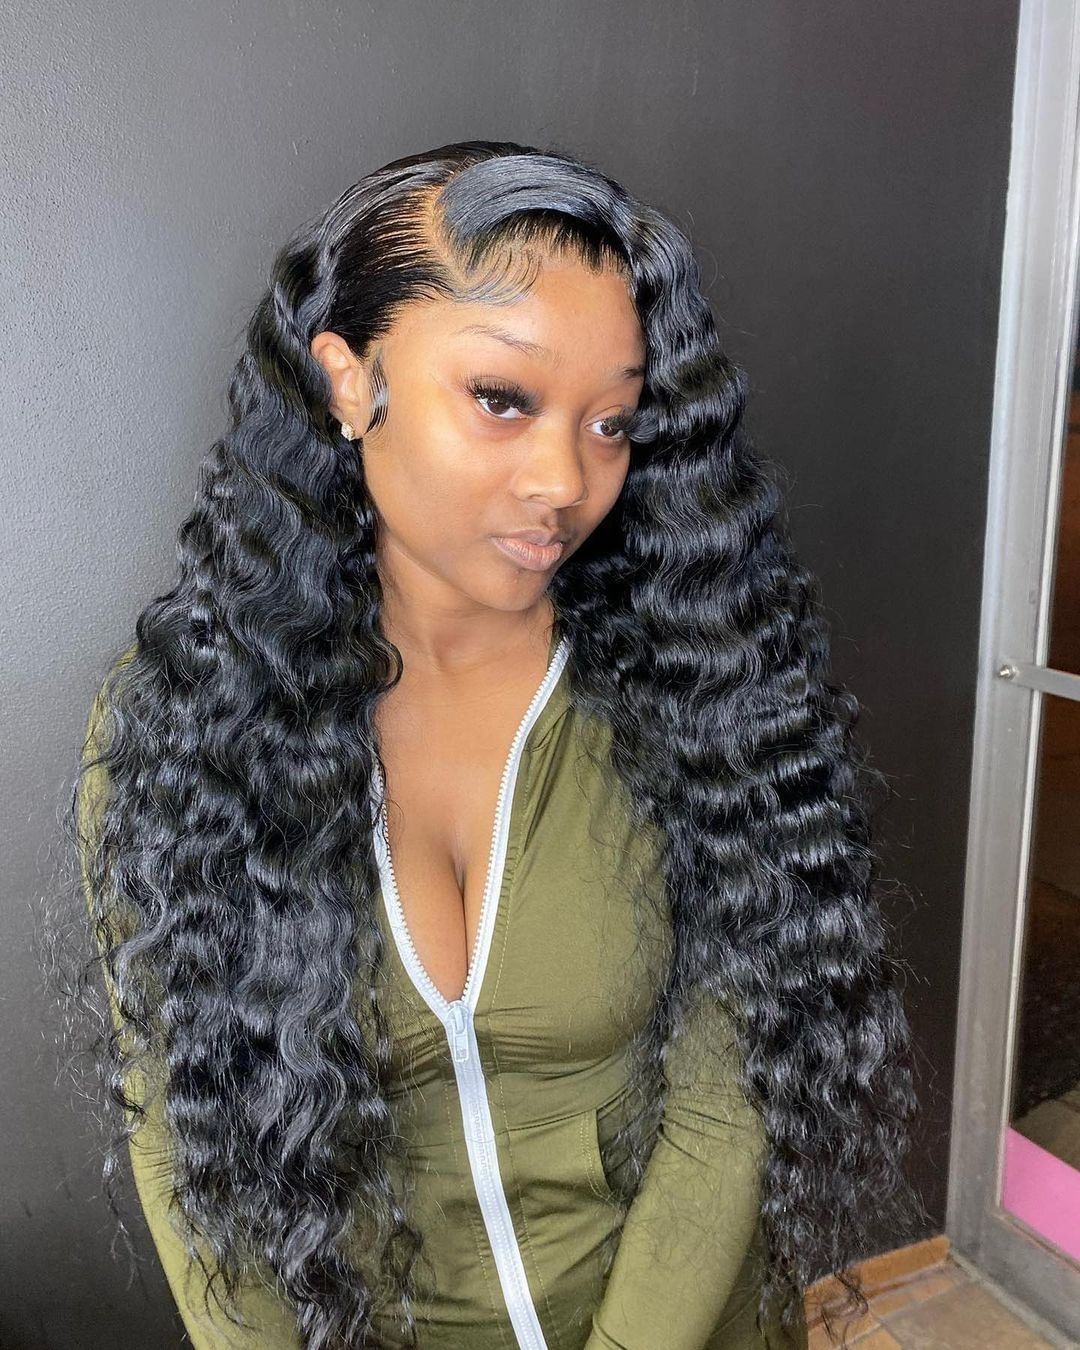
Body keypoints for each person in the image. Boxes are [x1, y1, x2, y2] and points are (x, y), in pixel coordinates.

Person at [74, 140, 924, 1350]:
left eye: (612, 422)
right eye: (503, 398)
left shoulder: (702, 681)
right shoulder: (188, 722)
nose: (564, 481)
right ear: (349, 381)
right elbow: (181, 1130)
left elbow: (731, 1096)